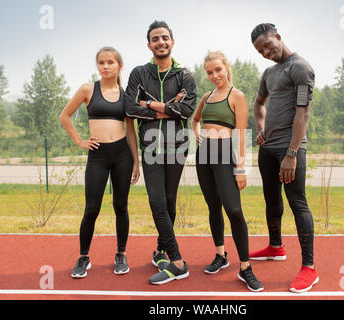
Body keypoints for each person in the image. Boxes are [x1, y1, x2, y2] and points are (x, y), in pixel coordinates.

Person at [125, 20, 197, 285]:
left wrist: (150, 104)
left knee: (168, 200)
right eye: (155, 39)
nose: (161, 42)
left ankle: (162, 252)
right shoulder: (138, 73)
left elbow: (186, 111)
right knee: (157, 202)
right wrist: (169, 106)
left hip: (178, 147)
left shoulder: (185, 75)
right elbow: (130, 109)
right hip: (151, 147)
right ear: (149, 45)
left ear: (172, 42)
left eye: (165, 38)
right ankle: (177, 261)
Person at [249, 23, 319, 293]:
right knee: (271, 199)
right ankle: (276, 246)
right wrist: (260, 128)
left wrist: (291, 154)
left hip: (290, 151)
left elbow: (303, 114)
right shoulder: (268, 73)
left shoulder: (300, 67)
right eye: (260, 50)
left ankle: (309, 268)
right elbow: (258, 103)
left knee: (298, 203)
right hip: (267, 150)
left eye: (268, 45)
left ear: (278, 37)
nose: (266, 52)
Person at [59, 47, 140, 278]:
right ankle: (83, 257)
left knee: (121, 206)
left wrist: (136, 161)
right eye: (101, 62)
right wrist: (80, 141)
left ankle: (121, 255)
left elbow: (131, 130)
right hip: (98, 155)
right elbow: (64, 116)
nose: (105, 66)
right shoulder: (88, 89)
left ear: (119, 66)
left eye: (110, 62)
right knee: (91, 209)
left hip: (122, 155)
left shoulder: (126, 94)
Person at [191, 51, 263, 292]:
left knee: (233, 209)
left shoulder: (237, 96)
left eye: (218, 70)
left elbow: (241, 134)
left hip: (224, 155)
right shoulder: (207, 96)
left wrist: (240, 168)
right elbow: (195, 120)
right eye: (209, 72)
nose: (214, 76)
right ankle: (221, 255)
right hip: (203, 156)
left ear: (227, 67)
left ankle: (245, 268)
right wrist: (197, 134)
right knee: (213, 206)